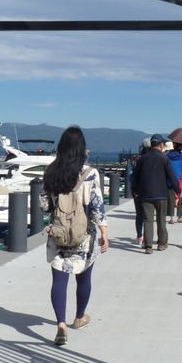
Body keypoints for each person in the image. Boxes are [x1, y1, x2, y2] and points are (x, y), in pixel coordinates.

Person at [41, 125, 109, 347]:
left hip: (58, 234)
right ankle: (79, 318)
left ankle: (60, 324)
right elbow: (97, 206)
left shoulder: (51, 171)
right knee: (84, 278)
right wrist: (104, 233)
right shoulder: (90, 173)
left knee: (59, 279)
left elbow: (45, 206)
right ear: (82, 149)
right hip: (84, 236)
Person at [131, 133, 179, 253]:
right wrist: (178, 190)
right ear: (161, 145)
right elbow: (171, 177)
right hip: (162, 194)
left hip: (145, 194)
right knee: (161, 219)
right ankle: (162, 243)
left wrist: (135, 190)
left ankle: (148, 246)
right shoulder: (164, 159)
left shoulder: (142, 159)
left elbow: (135, 177)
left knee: (148, 220)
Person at [165, 140, 182, 224]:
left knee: (170, 199)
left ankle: (171, 218)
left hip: (169, 180)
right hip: (180, 180)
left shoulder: (167, 156)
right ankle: (180, 216)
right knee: (181, 198)